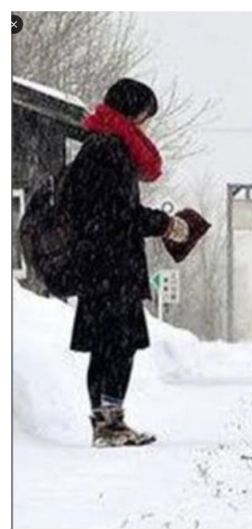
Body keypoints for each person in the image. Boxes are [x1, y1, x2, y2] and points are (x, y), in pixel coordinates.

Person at [63, 78, 190, 447]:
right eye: (145, 117)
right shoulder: (112, 150)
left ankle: (104, 424)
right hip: (113, 267)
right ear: (133, 112)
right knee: (118, 345)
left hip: (96, 266)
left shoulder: (94, 146)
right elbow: (121, 214)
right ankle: (111, 425)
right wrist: (166, 224)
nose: (145, 126)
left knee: (106, 345)